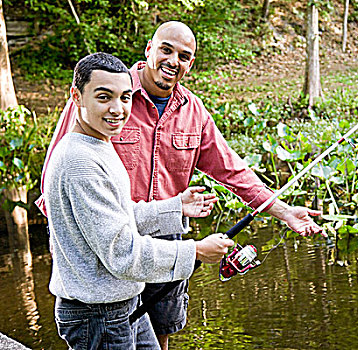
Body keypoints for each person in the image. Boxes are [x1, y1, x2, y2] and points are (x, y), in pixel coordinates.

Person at [37, 22, 326, 349]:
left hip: (162, 232)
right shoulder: (98, 96)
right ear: (149, 49)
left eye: (184, 56)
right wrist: (66, 247)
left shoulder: (192, 112)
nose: (173, 60)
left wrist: (283, 211)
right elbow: (57, 181)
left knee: (160, 329)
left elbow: (232, 170)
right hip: (107, 256)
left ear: (191, 64)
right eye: (166, 49)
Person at [45, 52, 234, 349]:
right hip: (97, 314)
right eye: (104, 97)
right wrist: (195, 251)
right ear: (77, 97)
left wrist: (174, 207)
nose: (117, 109)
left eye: (125, 98)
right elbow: (122, 252)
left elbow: (118, 215)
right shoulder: (79, 161)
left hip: (123, 301)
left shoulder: (97, 143)